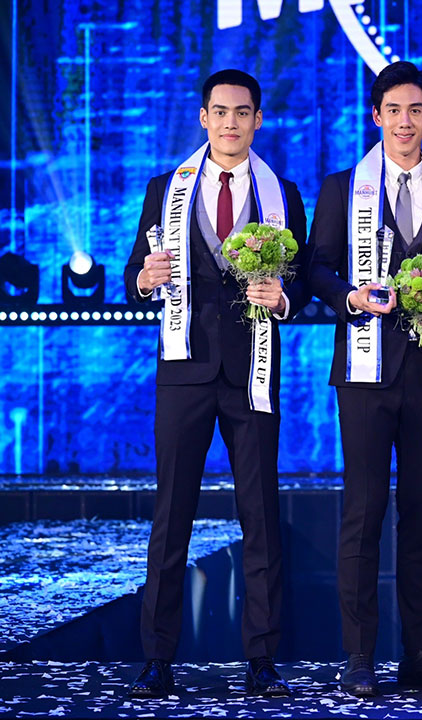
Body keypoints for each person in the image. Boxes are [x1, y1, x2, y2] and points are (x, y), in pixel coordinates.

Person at [124, 69, 307, 698]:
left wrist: (284, 298)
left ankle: (262, 659)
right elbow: (134, 273)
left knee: (260, 515)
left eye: (243, 112)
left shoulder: (283, 194)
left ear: (258, 120)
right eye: (221, 112)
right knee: (172, 514)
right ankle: (157, 658)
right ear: (204, 118)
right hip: (184, 368)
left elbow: (302, 281)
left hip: (253, 369)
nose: (231, 123)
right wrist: (145, 278)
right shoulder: (164, 189)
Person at [306, 61, 422, 698]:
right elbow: (316, 269)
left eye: (416, 111)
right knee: (364, 510)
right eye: (394, 110)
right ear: (376, 115)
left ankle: (419, 652)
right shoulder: (341, 189)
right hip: (365, 370)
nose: (405, 122)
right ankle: (359, 654)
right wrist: (349, 296)